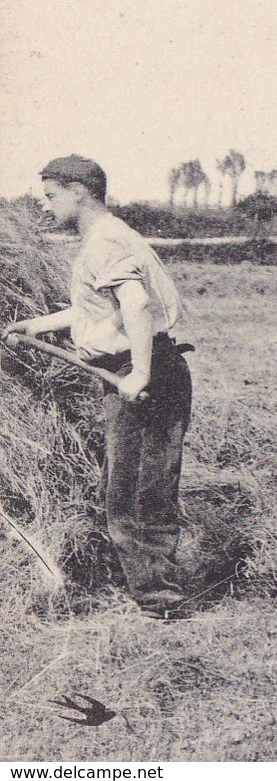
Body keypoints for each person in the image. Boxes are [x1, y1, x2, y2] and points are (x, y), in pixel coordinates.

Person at [3, 155, 192, 620]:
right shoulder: (107, 238)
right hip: (135, 369)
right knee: (129, 483)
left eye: (50, 196)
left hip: (141, 373)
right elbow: (100, 311)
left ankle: (160, 601)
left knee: (138, 489)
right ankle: (152, 590)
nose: (46, 207)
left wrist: (141, 373)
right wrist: (36, 325)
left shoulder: (105, 241)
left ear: (78, 191)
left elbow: (136, 303)